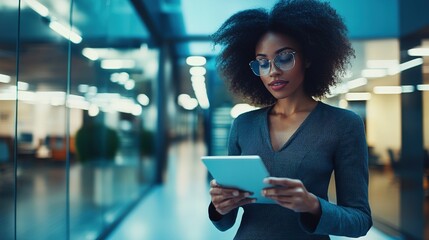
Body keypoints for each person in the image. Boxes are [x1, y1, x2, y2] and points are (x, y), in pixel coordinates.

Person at [207, 0, 372, 239]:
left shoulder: (343, 125)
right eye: (263, 62)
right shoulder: (244, 125)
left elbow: (360, 220)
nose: (273, 71)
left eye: (284, 58)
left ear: (308, 57)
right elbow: (226, 222)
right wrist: (219, 206)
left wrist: (313, 205)